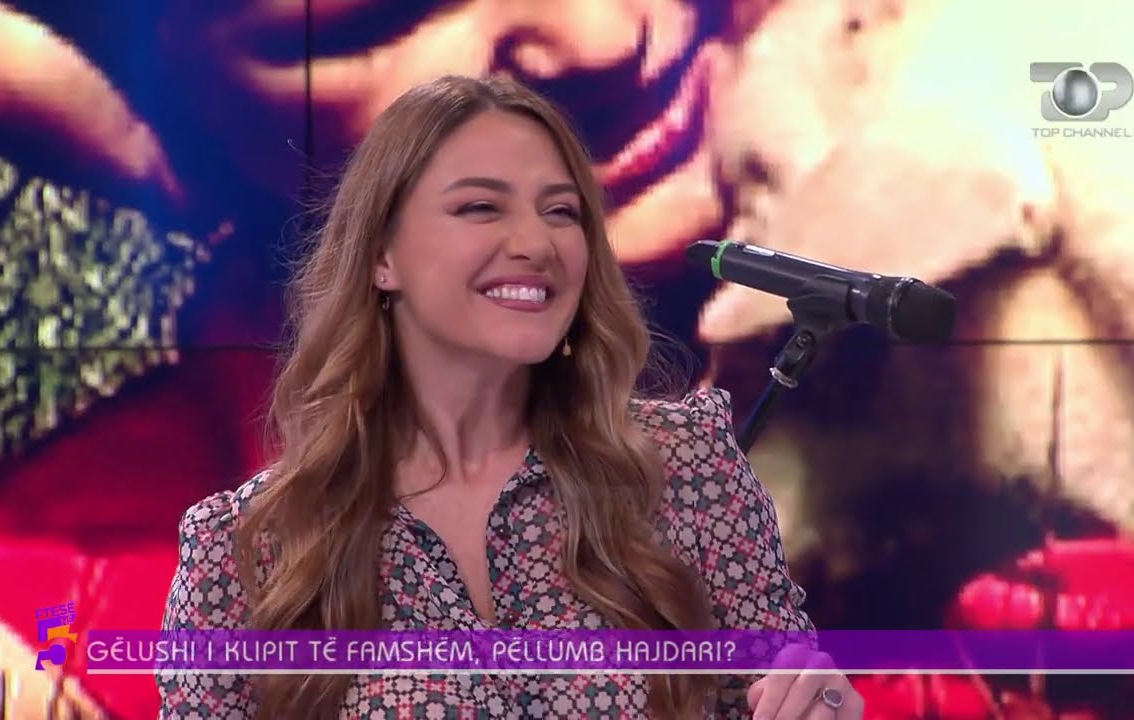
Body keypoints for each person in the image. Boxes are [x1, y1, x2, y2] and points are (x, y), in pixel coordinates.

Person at [156, 75, 864, 720]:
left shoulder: (686, 469)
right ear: (382, 257)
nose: (537, 242)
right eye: (480, 207)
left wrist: (822, 705)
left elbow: (793, 693)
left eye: (561, 212)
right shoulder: (242, 551)